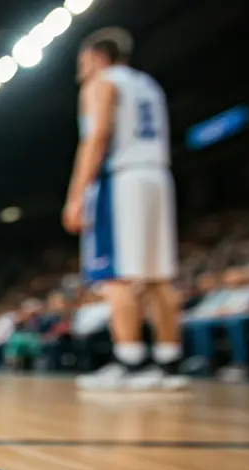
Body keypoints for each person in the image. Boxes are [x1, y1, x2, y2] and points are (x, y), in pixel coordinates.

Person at [62, 27, 186, 391]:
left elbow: (96, 137)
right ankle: (168, 362)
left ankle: (129, 361)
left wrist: (76, 195)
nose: (80, 71)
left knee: (117, 276)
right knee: (159, 277)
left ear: (99, 58)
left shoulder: (101, 83)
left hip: (122, 179)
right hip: (158, 175)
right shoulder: (149, 85)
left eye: (83, 62)